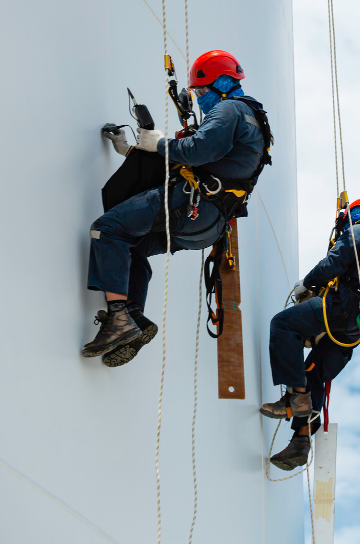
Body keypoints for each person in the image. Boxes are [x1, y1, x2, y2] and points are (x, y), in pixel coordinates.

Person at [82, 49, 270, 367]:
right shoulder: (255, 126)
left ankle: (118, 318)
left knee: (108, 229)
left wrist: (156, 143)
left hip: (191, 205)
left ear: (223, 82)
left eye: (200, 91)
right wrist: (130, 151)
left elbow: (195, 152)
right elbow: (200, 164)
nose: (198, 98)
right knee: (133, 247)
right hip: (207, 225)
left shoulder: (230, 110)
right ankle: (133, 320)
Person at [260, 197, 360, 470]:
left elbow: (334, 262)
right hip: (356, 330)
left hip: (341, 309)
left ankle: (297, 397)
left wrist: (308, 283)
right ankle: (301, 442)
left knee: (284, 325)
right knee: (312, 372)